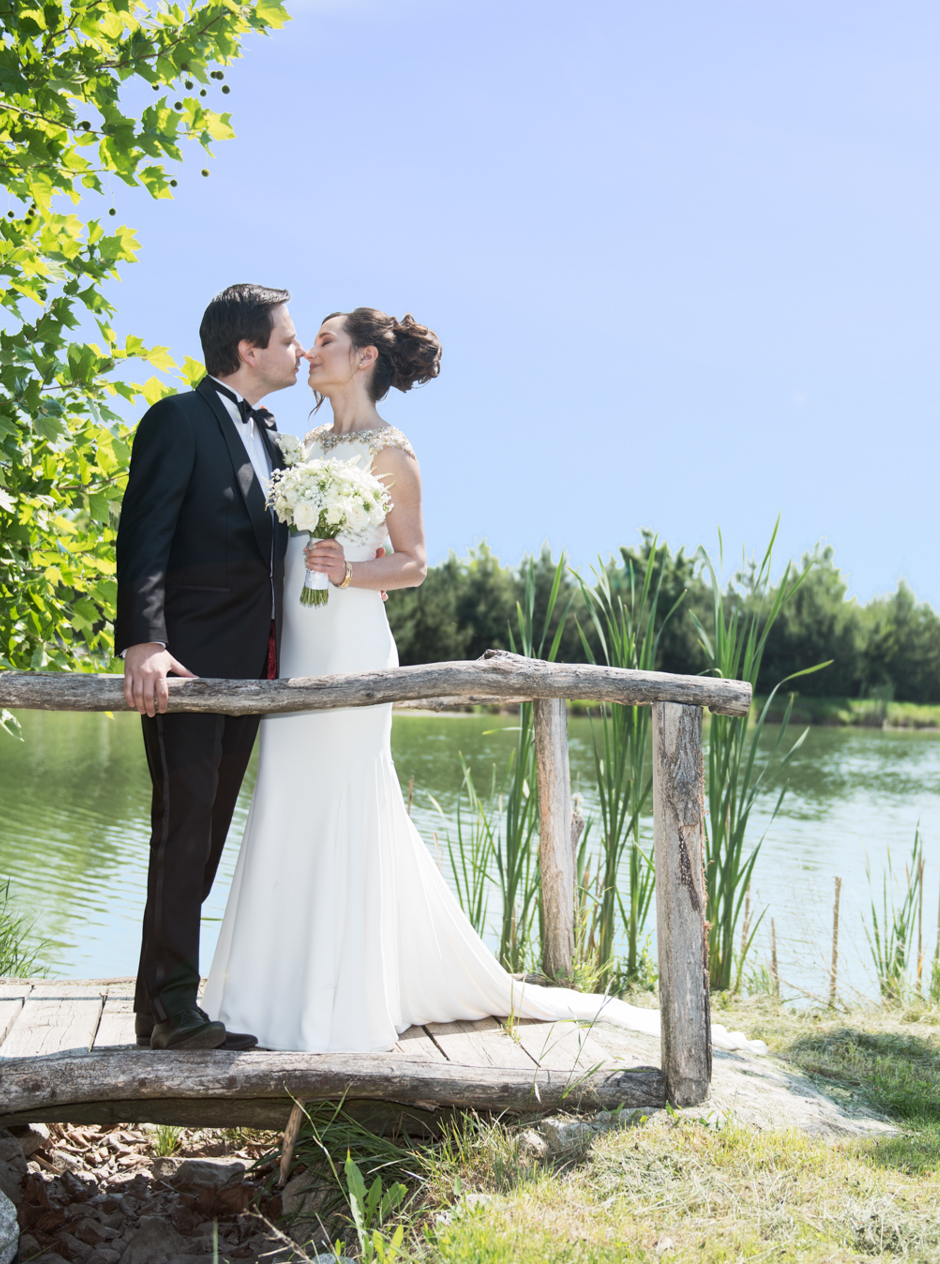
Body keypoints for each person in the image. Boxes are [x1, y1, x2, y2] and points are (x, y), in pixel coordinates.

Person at [203, 307, 764, 1055]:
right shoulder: (304, 448)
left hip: (352, 647)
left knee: (343, 799)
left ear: (365, 357)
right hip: (298, 649)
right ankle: (263, 993)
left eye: (327, 341)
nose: (310, 350)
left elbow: (414, 562)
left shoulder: (393, 455)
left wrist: (350, 569)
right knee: (286, 796)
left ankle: (338, 1000)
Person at [113, 283, 302, 1051]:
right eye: (288, 339)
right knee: (182, 831)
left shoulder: (276, 438)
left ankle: (156, 1008)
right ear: (248, 349)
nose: (298, 350)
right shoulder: (177, 420)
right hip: (184, 666)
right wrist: (143, 644)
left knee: (207, 832)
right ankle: (177, 1011)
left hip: (252, 669)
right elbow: (142, 537)